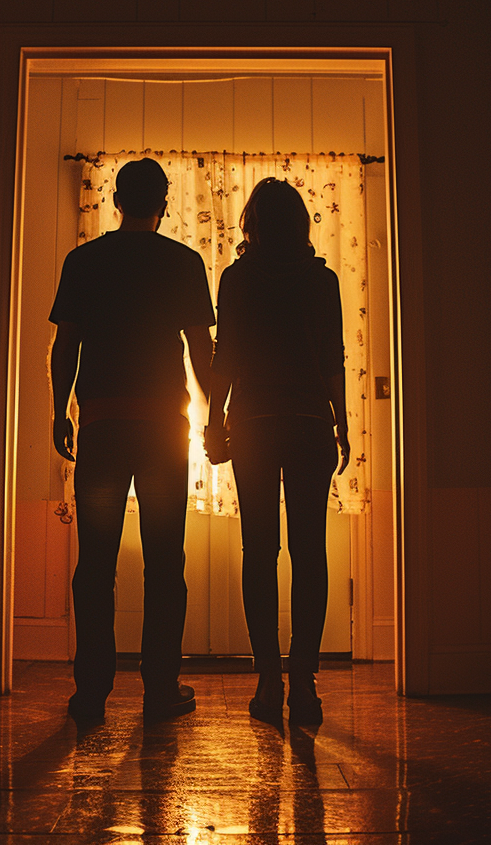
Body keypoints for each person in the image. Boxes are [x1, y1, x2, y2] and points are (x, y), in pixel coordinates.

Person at [49, 157, 215, 721]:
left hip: (101, 423)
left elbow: (65, 346)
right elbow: (200, 351)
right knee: (165, 559)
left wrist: (59, 411)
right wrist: (215, 414)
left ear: (116, 201)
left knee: (95, 560)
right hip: (165, 427)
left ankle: (91, 691)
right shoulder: (183, 262)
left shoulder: (84, 261)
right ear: (163, 204)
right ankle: (161, 688)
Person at [204, 178, 350, 726]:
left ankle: (268, 679)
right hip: (311, 420)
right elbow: (333, 356)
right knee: (310, 551)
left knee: (259, 550)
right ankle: (304, 682)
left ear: (253, 224)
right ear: (302, 224)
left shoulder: (238, 279)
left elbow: (226, 357)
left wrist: (213, 420)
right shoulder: (323, 281)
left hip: (255, 424)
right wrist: (342, 424)